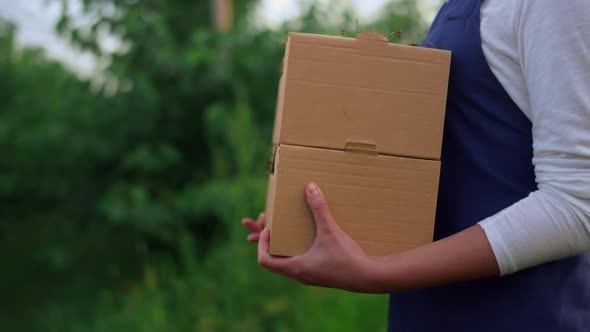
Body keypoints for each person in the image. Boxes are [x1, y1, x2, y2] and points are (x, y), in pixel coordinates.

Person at [242, 1, 590, 331]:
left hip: (522, 314)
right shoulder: (460, 8)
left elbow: (576, 203)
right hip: (430, 313)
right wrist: (308, 215)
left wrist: (376, 271)